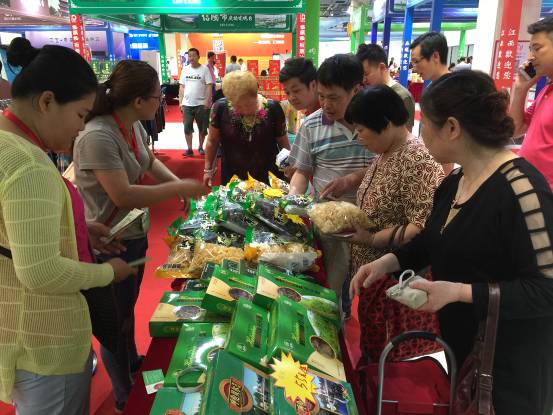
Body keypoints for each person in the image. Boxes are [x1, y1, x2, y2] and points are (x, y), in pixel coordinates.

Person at [351, 70, 553, 415]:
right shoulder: (456, 180)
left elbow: (545, 289)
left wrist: (459, 292)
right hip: (464, 350)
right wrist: (386, 262)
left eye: (426, 124)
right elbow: (433, 239)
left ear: (452, 128)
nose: (421, 134)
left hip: (509, 366)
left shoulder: (522, 190)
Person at [0, 38, 136, 415]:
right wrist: (108, 273)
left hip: (15, 325)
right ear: (46, 102)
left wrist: (77, 226)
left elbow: (11, 231)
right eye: (80, 115)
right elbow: (40, 272)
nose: (81, 129)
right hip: (44, 335)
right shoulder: (28, 165)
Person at [73, 60, 209, 412]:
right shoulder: (99, 135)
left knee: (127, 309)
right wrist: (179, 187)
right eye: (156, 97)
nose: (160, 102)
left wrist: (174, 184)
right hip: (108, 241)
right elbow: (123, 195)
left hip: (132, 232)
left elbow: (147, 161)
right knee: (113, 323)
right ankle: (124, 395)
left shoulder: (130, 125)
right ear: (137, 101)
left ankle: (132, 364)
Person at [343, 85, 443, 362]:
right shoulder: (388, 150)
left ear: (386, 124)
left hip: (394, 281)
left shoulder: (417, 159)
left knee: (388, 354)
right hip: (374, 277)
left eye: (361, 129)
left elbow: (421, 227)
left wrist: (371, 239)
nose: (357, 137)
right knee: (373, 345)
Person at [288, 54, 374, 319]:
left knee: (371, 293)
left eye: (334, 98)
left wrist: (351, 180)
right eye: (322, 96)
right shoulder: (312, 125)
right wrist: (291, 200)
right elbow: (302, 171)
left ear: (356, 90)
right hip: (331, 225)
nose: (326, 104)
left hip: (372, 224)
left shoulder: (375, 123)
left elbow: (388, 163)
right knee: (331, 292)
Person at [203, 70, 290, 186]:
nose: (240, 109)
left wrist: (289, 168)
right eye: (236, 105)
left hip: (269, 175)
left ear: (255, 95)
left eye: (246, 105)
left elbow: (283, 142)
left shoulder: (273, 108)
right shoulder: (220, 108)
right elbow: (212, 141)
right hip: (233, 175)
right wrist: (208, 170)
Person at [510, 16, 553, 189]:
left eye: (537, 48)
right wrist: (520, 89)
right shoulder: (546, 91)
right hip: (530, 188)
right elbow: (515, 129)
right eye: (530, 49)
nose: (531, 57)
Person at [356, 43, 416, 131]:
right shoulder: (368, 93)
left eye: (366, 74)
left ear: (382, 67)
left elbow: (406, 134)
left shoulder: (402, 96)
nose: (363, 80)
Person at [179, 47, 212, 157]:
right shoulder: (185, 69)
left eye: (193, 55)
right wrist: (180, 102)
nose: (191, 58)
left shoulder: (205, 69)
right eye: (189, 56)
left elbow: (209, 86)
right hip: (187, 104)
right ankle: (189, 149)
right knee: (187, 127)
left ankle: (200, 147)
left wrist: (207, 101)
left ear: (198, 57)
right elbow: (182, 87)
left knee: (202, 128)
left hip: (201, 104)